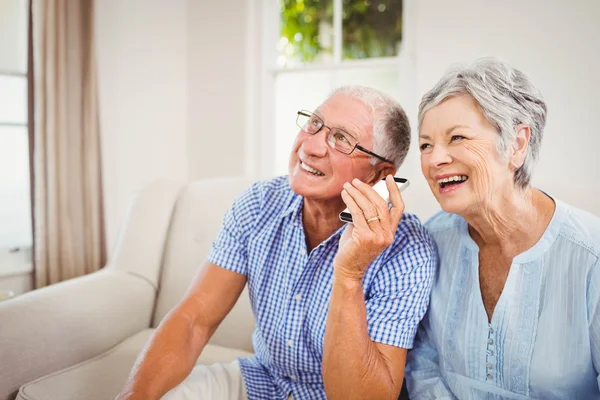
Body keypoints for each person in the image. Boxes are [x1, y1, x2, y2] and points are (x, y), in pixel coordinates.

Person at [116, 85, 436, 400]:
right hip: (263, 381)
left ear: (380, 174)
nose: (310, 147)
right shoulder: (258, 204)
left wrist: (350, 274)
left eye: (341, 139)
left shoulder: (408, 250)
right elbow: (194, 319)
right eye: (315, 124)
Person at [405, 58, 600, 399]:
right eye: (425, 145)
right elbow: (423, 364)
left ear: (517, 144)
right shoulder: (429, 241)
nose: (435, 160)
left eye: (457, 137)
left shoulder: (590, 255)